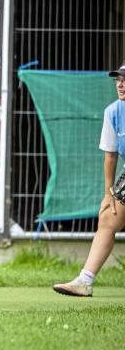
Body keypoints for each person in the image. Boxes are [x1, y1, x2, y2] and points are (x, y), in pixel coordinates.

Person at [53, 64, 125, 297]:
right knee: (108, 217)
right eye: (118, 80)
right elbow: (111, 155)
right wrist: (108, 193)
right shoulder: (113, 112)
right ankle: (84, 281)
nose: (120, 84)